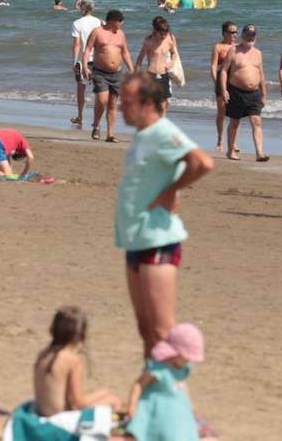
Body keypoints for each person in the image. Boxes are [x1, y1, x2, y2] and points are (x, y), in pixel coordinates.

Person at [114, 72, 213, 358]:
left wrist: (172, 191)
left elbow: (202, 162)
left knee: (163, 332)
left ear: (147, 103)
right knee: (145, 327)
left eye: (128, 102)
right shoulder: (143, 136)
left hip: (158, 239)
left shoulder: (163, 132)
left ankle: (176, 397)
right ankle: (152, 396)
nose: (121, 108)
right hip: (135, 238)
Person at [33, 307, 121, 418]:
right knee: (113, 401)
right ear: (80, 335)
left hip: (42, 412)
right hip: (59, 418)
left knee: (105, 392)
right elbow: (78, 404)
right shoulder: (72, 360)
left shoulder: (43, 353)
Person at [124, 322, 204, 441]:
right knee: (163, 430)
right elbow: (139, 384)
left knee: (182, 430)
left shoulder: (183, 367)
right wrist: (132, 406)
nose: (188, 361)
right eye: (187, 357)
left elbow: (181, 384)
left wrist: (189, 403)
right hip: (158, 406)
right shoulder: (159, 369)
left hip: (177, 405)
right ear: (175, 354)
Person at [218, 24, 268, 162]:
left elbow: (261, 74)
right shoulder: (234, 51)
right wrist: (224, 90)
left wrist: (264, 93)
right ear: (243, 35)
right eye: (248, 35)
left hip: (254, 93)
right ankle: (230, 151)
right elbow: (223, 71)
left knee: (256, 121)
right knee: (235, 122)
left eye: (253, 35)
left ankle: (260, 153)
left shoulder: (258, 53)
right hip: (236, 92)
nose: (251, 37)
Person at [82, 9, 134, 142]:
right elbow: (87, 49)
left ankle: (110, 135)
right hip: (100, 72)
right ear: (113, 21)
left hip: (117, 73)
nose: (122, 23)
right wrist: (84, 66)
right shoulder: (97, 32)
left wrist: (131, 69)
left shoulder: (121, 34)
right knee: (102, 100)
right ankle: (97, 125)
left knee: (112, 104)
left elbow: (125, 52)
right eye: (120, 21)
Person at [69, 0, 103, 131]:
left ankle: (80, 116)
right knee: (99, 91)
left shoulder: (77, 23)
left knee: (81, 89)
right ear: (92, 9)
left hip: (84, 59)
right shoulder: (99, 22)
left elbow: (77, 44)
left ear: (82, 8)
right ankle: (97, 121)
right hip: (99, 58)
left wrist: (75, 61)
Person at [209, 22, 237, 152]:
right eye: (232, 32)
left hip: (235, 81)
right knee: (222, 112)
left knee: (236, 113)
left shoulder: (237, 47)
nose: (234, 35)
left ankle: (233, 141)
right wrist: (217, 81)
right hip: (221, 80)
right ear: (225, 33)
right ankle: (220, 139)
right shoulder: (218, 47)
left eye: (236, 32)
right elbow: (214, 66)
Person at [136, 16, 180, 100]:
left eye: (165, 34)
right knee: (151, 104)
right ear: (156, 31)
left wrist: (171, 63)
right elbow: (140, 59)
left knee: (164, 104)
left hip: (164, 75)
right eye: (161, 34)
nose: (163, 36)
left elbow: (174, 54)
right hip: (151, 75)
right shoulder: (148, 41)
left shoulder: (170, 39)